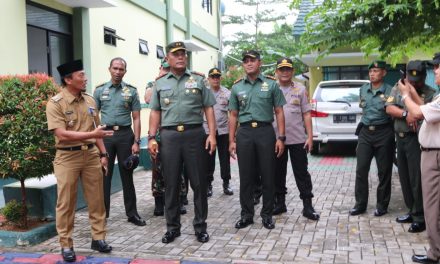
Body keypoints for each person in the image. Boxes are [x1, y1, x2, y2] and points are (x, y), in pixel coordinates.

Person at [148, 41, 217, 244]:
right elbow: (155, 112)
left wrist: (212, 135)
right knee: (171, 184)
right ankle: (172, 228)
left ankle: (200, 227)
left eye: (183, 54)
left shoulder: (198, 80)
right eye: (175, 54)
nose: (180, 57)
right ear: (167, 58)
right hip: (169, 137)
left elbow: (209, 108)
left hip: (195, 135)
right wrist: (151, 137)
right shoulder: (159, 83)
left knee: (199, 183)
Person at [46, 60, 113, 262]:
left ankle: (98, 238)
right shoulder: (55, 103)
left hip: (91, 155)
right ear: (68, 80)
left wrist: (104, 155)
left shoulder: (90, 100)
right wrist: (91, 134)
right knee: (66, 203)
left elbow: (97, 131)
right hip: (67, 157)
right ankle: (66, 244)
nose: (85, 78)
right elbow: (61, 134)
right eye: (81, 75)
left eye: (84, 75)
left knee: (97, 200)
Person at [229, 50, 286, 230]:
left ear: (259, 63)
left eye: (252, 60)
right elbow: (233, 115)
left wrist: (281, 138)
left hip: (265, 132)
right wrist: (231, 140)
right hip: (244, 133)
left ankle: (267, 215)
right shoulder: (237, 87)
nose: (249, 63)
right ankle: (246, 214)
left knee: (268, 174)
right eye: (245, 61)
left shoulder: (271, 85)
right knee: (246, 176)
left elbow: (279, 112)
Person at [93, 57, 146, 226]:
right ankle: (103, 214)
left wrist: (136, 141)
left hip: (125, 135)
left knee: (127, 175)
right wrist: (97, 137)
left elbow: (136, 118)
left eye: (121, 69)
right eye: (115, 68)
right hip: (106, 135)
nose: (117, 72)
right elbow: (94, 116)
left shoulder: (131, 91)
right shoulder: (100, 90)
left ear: (125, 71)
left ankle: (132, 214)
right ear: (109, 69)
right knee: (104, 175)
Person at [399, 52, 440, 264]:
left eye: (437, 67)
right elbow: (421, 108)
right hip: (424, 149)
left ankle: (435, 254)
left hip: (434, 154)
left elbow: (416, 113)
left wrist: (406, 95)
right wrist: (411, 93)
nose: (435, 71)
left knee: (432, 207)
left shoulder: (436, 95)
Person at [385, 60, 435, 233]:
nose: (414, 83)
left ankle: (420, 217)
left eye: (417, 80)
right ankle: (411, 211)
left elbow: (422, 113)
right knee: (404, 178)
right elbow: (389, 108)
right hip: (400, 138)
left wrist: (411, 93)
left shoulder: (430, 93)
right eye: (411, 80)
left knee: (417, 179)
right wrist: (405, 113)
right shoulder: (397, 87)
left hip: (416, 141)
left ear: (423, 77)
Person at [272, 57, 320, 220]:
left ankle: (307, 206)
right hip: (277, 139)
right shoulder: (271, 88)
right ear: (277, 72)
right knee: (278, 172)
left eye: (288, 69)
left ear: (292, 71)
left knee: (301, 173)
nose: (285, 72)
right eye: (281, 69)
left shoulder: (300, 89)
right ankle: (280, 203)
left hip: (298, 138)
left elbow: (307, 114)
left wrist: (310, 137)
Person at [350, 60, 394, 217]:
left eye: (376, 71)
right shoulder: (363, 89)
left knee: (384, 171)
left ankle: (382, 205)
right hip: (366, 133)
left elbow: (392, 112)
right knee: (361, 169)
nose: (372, 74)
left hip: (384, 132)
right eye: (371, 71)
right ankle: (360, 204)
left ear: (384, 73)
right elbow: (364, 111)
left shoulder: (390, 90)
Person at [145, 59, 188, 216]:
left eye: (169, 69)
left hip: (175, 131)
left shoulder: (178, 82)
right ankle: (159, 200)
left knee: (178, 167)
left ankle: (180, 199)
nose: (167, 71)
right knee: (157, 167)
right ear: (160, 68)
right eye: (165, 69)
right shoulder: (155, 83)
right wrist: (159, 79)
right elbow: (148, 99)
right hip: (157, 133)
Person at [203, 67, 233, 197]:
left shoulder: (227, 93)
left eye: (217, 77)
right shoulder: (204, 93)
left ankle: (226, 183)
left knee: (224, 159)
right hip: (207, 131)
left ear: (220, 78)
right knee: (208, 159)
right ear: (208, 79)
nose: (215, 79)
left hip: (223, 131)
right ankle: (208, 184)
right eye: (213, 77)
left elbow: (232, 113)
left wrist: (234, 134)